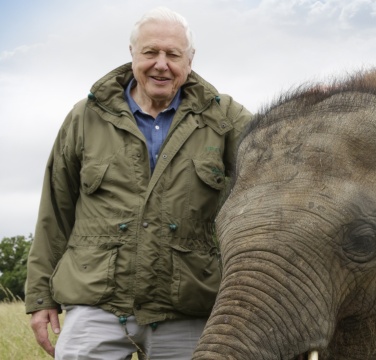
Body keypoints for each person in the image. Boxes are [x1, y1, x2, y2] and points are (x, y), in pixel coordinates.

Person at [25, 7, 252, 359]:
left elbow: (278, 151)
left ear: (189, 61)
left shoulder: (224, 118)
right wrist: (41, 297)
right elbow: (55, 210)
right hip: (95, 306)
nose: (161, 64)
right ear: (132, 54)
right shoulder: (85, 116)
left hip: (187, 308)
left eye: (173, 55)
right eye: (150, 52)